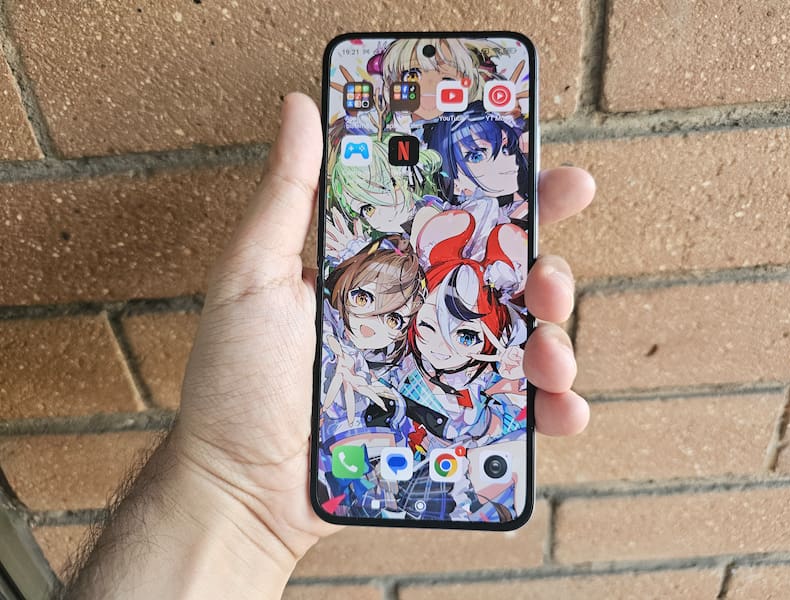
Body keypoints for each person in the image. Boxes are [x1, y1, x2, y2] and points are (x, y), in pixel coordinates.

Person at [62, 93, 594, 599]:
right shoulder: (369, 357)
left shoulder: (472, 383)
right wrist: (227, 482)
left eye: (463, 332)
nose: (437, 339)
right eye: (428, 321)